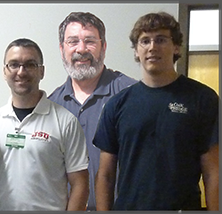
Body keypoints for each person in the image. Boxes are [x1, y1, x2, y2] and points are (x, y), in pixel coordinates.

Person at [94, 12, 219, 211]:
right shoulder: (116, 104)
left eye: (161, 39)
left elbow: (213, 172)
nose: (152, 47)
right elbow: (105, 175)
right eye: (145, 41)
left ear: (176, 47)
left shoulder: (203, 99)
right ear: (136, 51)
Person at [0, 38, 89, 211]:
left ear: (42, 71)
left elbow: (80, 184)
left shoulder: (65, 121)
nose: (21, 72)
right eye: (14, 65)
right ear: (4, 71)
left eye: (30, 65)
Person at [47, 12, 137, 210]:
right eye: (72, 42)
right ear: (62, 49)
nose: (81, 49)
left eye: (89, 41)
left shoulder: (131, 95)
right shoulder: (50, 105)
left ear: (103, 47)